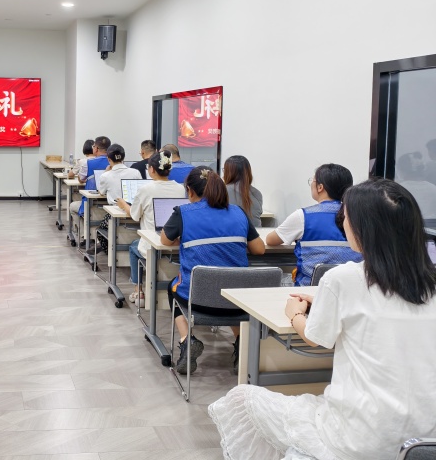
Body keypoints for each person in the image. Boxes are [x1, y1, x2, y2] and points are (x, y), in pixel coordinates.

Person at [209, 178, 436, 460]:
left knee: (241, 399)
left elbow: (315, 337)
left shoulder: (343, 278)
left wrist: (294, 314)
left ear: (365, 228)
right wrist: (332, 303)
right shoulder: (428, 281)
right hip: (425, 438)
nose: (343, 224)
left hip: (360, 438)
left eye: (346, 218)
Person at [161, 167, 265, 374]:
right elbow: (259, 249)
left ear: (190, 190)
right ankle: (240, 343)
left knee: (172, 286)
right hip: (238, 301)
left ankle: (187, 340)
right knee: (229, 282)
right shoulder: (239, 212)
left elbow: (165, 240)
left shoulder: (183, 213)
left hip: (198, 300)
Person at [266, 163, 362, 286]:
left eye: (313, 180)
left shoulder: (303, 216)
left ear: (320, 187)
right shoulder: (359, 217)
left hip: (309, 291)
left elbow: (271, 240)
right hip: (350, 289)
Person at [115, 150, 185, 307]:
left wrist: (123, 204)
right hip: (175, 243)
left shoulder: (146, 189)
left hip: (153, 244)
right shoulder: (180, 188)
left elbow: (134, 215)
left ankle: (138, 291)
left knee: (133, 247)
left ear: (152, 169)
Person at [95, 143, 141, 250]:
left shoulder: (105, 176)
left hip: (115, 213)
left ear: (108, 159)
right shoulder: (135, 172)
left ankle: (108, 251)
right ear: (123, 157)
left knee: (101, 229)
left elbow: (101, 192)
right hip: (135, 212)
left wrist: (106, 171)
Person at [69, 136, 111, 248]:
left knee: (72, 206)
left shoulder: (88, 163)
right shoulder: (113, 163)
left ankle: (86, 236)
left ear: (96, 148)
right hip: (110, 206)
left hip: (91, 205)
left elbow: (81, 179)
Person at [222, 155, 264, 228]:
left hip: (233, 233)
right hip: (257, 234)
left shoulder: (222, 191)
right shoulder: (257, 193)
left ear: (228, 172)